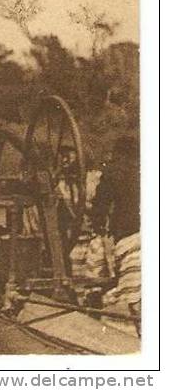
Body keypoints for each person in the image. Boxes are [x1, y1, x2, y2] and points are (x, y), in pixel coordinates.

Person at [91, 136, 141, 333]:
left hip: (128, 236)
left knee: (135, 296)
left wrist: (98, 227)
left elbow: (100, 205)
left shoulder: (113, 172)